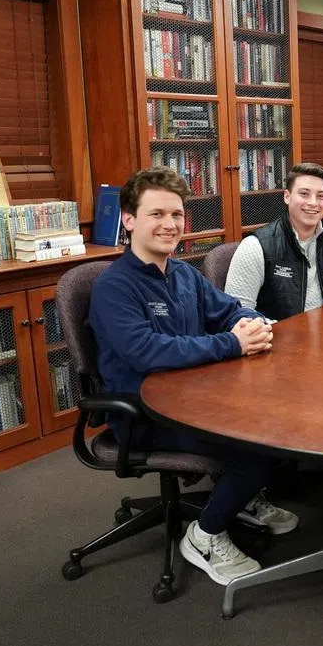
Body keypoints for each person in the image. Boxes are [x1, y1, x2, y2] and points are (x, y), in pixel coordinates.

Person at [88, 167, 298, 586]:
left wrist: (254, 322)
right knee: (257, 446)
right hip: (146, 414)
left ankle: (240, 496)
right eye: (156, 214)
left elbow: (227, 310)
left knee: (278, 419)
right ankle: (204, 536)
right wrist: (232, 344)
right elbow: (148, 352)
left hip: (195, 398)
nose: (170, 224)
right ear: (128, 220)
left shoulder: (182, 273)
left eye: (177, 215)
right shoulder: (114, 287)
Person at [225, 162, 323, 321]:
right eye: (304, 194)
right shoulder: (255, 246)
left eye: (320, 196)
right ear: (287, 196)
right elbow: (238, 313)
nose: (313, 202)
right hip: (272, 333)